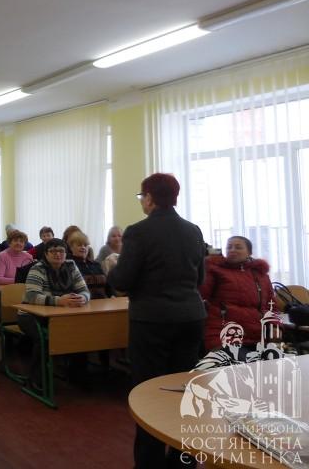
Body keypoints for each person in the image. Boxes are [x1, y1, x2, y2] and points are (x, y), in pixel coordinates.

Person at [108, 173, 206, 469]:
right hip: (191, 317)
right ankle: (182, 462)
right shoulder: (193, 230)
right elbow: (199, 278)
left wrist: (112, 272)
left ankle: (149, 463)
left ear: (149, 198)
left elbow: (123, 280)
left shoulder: (138, 232)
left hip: (152, 320)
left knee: (149, 394)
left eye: (142, 196)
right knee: (183, 392)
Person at [17, 238, 90, 387]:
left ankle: (77, 376)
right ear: (46, 254)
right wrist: (59, 301)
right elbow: (31, 296)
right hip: (30, 315)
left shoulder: (71, 266)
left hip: (60, 314)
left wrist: (82, 298)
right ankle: (36, 379)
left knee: (82, 333)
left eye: (61, 251)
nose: (58, 254)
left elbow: (84, 290)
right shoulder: (38, 268)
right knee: (44, 339)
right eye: (53, 251)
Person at [200, 236, 274, 352]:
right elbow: (202, 294)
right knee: (242, 362)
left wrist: (275, 327)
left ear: (249, 252)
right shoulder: (215, 270)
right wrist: (207, 266)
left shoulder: (261, 275)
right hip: (223, 335)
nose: (232, 250)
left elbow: (272, 306)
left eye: (238, 247)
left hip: (257, 336)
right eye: (229, 247)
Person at [66, 231, 111, 299]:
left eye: (85, 245)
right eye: (79, 245)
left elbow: (107, 286)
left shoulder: (96, 265)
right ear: (71, 247)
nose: (83, 247)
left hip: (103, 302)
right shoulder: (69, 265)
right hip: (81, 302)